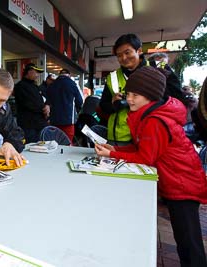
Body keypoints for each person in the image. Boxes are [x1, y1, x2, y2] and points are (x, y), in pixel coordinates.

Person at [95, 66, 207, 266]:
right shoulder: (153, 114)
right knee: (185, 238)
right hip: (179, 181)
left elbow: (145, 157)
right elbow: (142, 147)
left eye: (135, 95)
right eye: (128, 93)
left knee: (188, 241)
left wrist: (111, 154)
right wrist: (114, 148)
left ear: (152, 97)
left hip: (182, 185)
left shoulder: (155, 120)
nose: (129, 99)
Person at [99, 34, 183, 146]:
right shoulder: (112, 77)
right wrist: (114, 104)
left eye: (127, 52)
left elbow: (177, 98)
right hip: (120, 139)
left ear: (139, 50)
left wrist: (146, 100)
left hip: (151, 135)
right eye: (119, 55)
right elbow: (103, 106)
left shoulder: (159, 68)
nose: (123, 58)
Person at [14, 63, 49, 143]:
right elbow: (28, 104)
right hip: (28, 125)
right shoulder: (20, 86)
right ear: (29, 72)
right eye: (35, 72)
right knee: (31, 148)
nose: (37, 75)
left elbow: (43, 99)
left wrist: (47, 106)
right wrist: (43, 109)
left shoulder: (35, 86)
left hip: (40, 123)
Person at [47, 68, 83, 143]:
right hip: (68, 120)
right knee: (68, 142)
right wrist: (76, 111)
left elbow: (48, 102)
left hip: (54, 120)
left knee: (55, 143)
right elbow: (80, 101)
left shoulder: (51, 85)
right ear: (69, 75)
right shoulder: (73, 84)